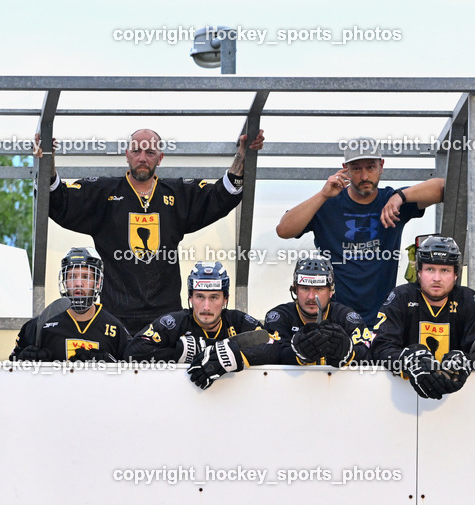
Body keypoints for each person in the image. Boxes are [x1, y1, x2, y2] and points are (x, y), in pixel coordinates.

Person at [39, 127, 265, 335]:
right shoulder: (102, 193)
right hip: (115, 316)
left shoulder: (177, 194)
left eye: (149, 152)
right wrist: (47, 156)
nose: (142, 158)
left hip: (166, 317)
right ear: (127, 155)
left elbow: (222, 196)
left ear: (160, 157)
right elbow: (58, 200)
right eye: (136, 151)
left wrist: (242, 156)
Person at [274, 137, 445, 324]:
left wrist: (400, 197)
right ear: (345, 169)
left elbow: (443, 188)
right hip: (335, 319)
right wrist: (323, 195)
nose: (364, 176)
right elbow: (284, 230)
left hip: (382, 318)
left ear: (381, 166)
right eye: (356, 169)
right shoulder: (327, 204)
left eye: (370, 167)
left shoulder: (392, 200)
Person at [370, 235, 475, 400]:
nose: (436, 278)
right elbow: (379, 346)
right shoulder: (401, 297)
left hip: (458, 402)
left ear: (455, 275)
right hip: (403, 398)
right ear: (419, 272)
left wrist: (465, 362)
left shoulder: (466, 299)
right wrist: (408, 360)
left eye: (445, 270)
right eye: (430, 269)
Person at [125, 261, 262, 363]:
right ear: (190, 297)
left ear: (226, 299)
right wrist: (181, 351)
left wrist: (231, 357)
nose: (206, 307)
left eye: (214, 297)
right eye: (200, 297)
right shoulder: (175, 322)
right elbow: (132, 352)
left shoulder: (238, 321)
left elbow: (273, 347)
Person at [11, 247, 129, 362]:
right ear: (65, 282)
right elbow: (11, 366)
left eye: (86, 277)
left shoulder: (116, 329)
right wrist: (24, 362)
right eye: (72, 277)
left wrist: (112, 365)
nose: (78, 283)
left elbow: (133, 372)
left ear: (97, 283)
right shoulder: (40, 325)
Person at [261, 255, 372, 367]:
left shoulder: (346, 317)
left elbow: (370, 355)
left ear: (331, 291)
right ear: (295, 289)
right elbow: (270, 355)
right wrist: (298, 353)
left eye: (319, 288)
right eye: (305, 288)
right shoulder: (280, 316)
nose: (311, 297)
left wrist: (348, 353)